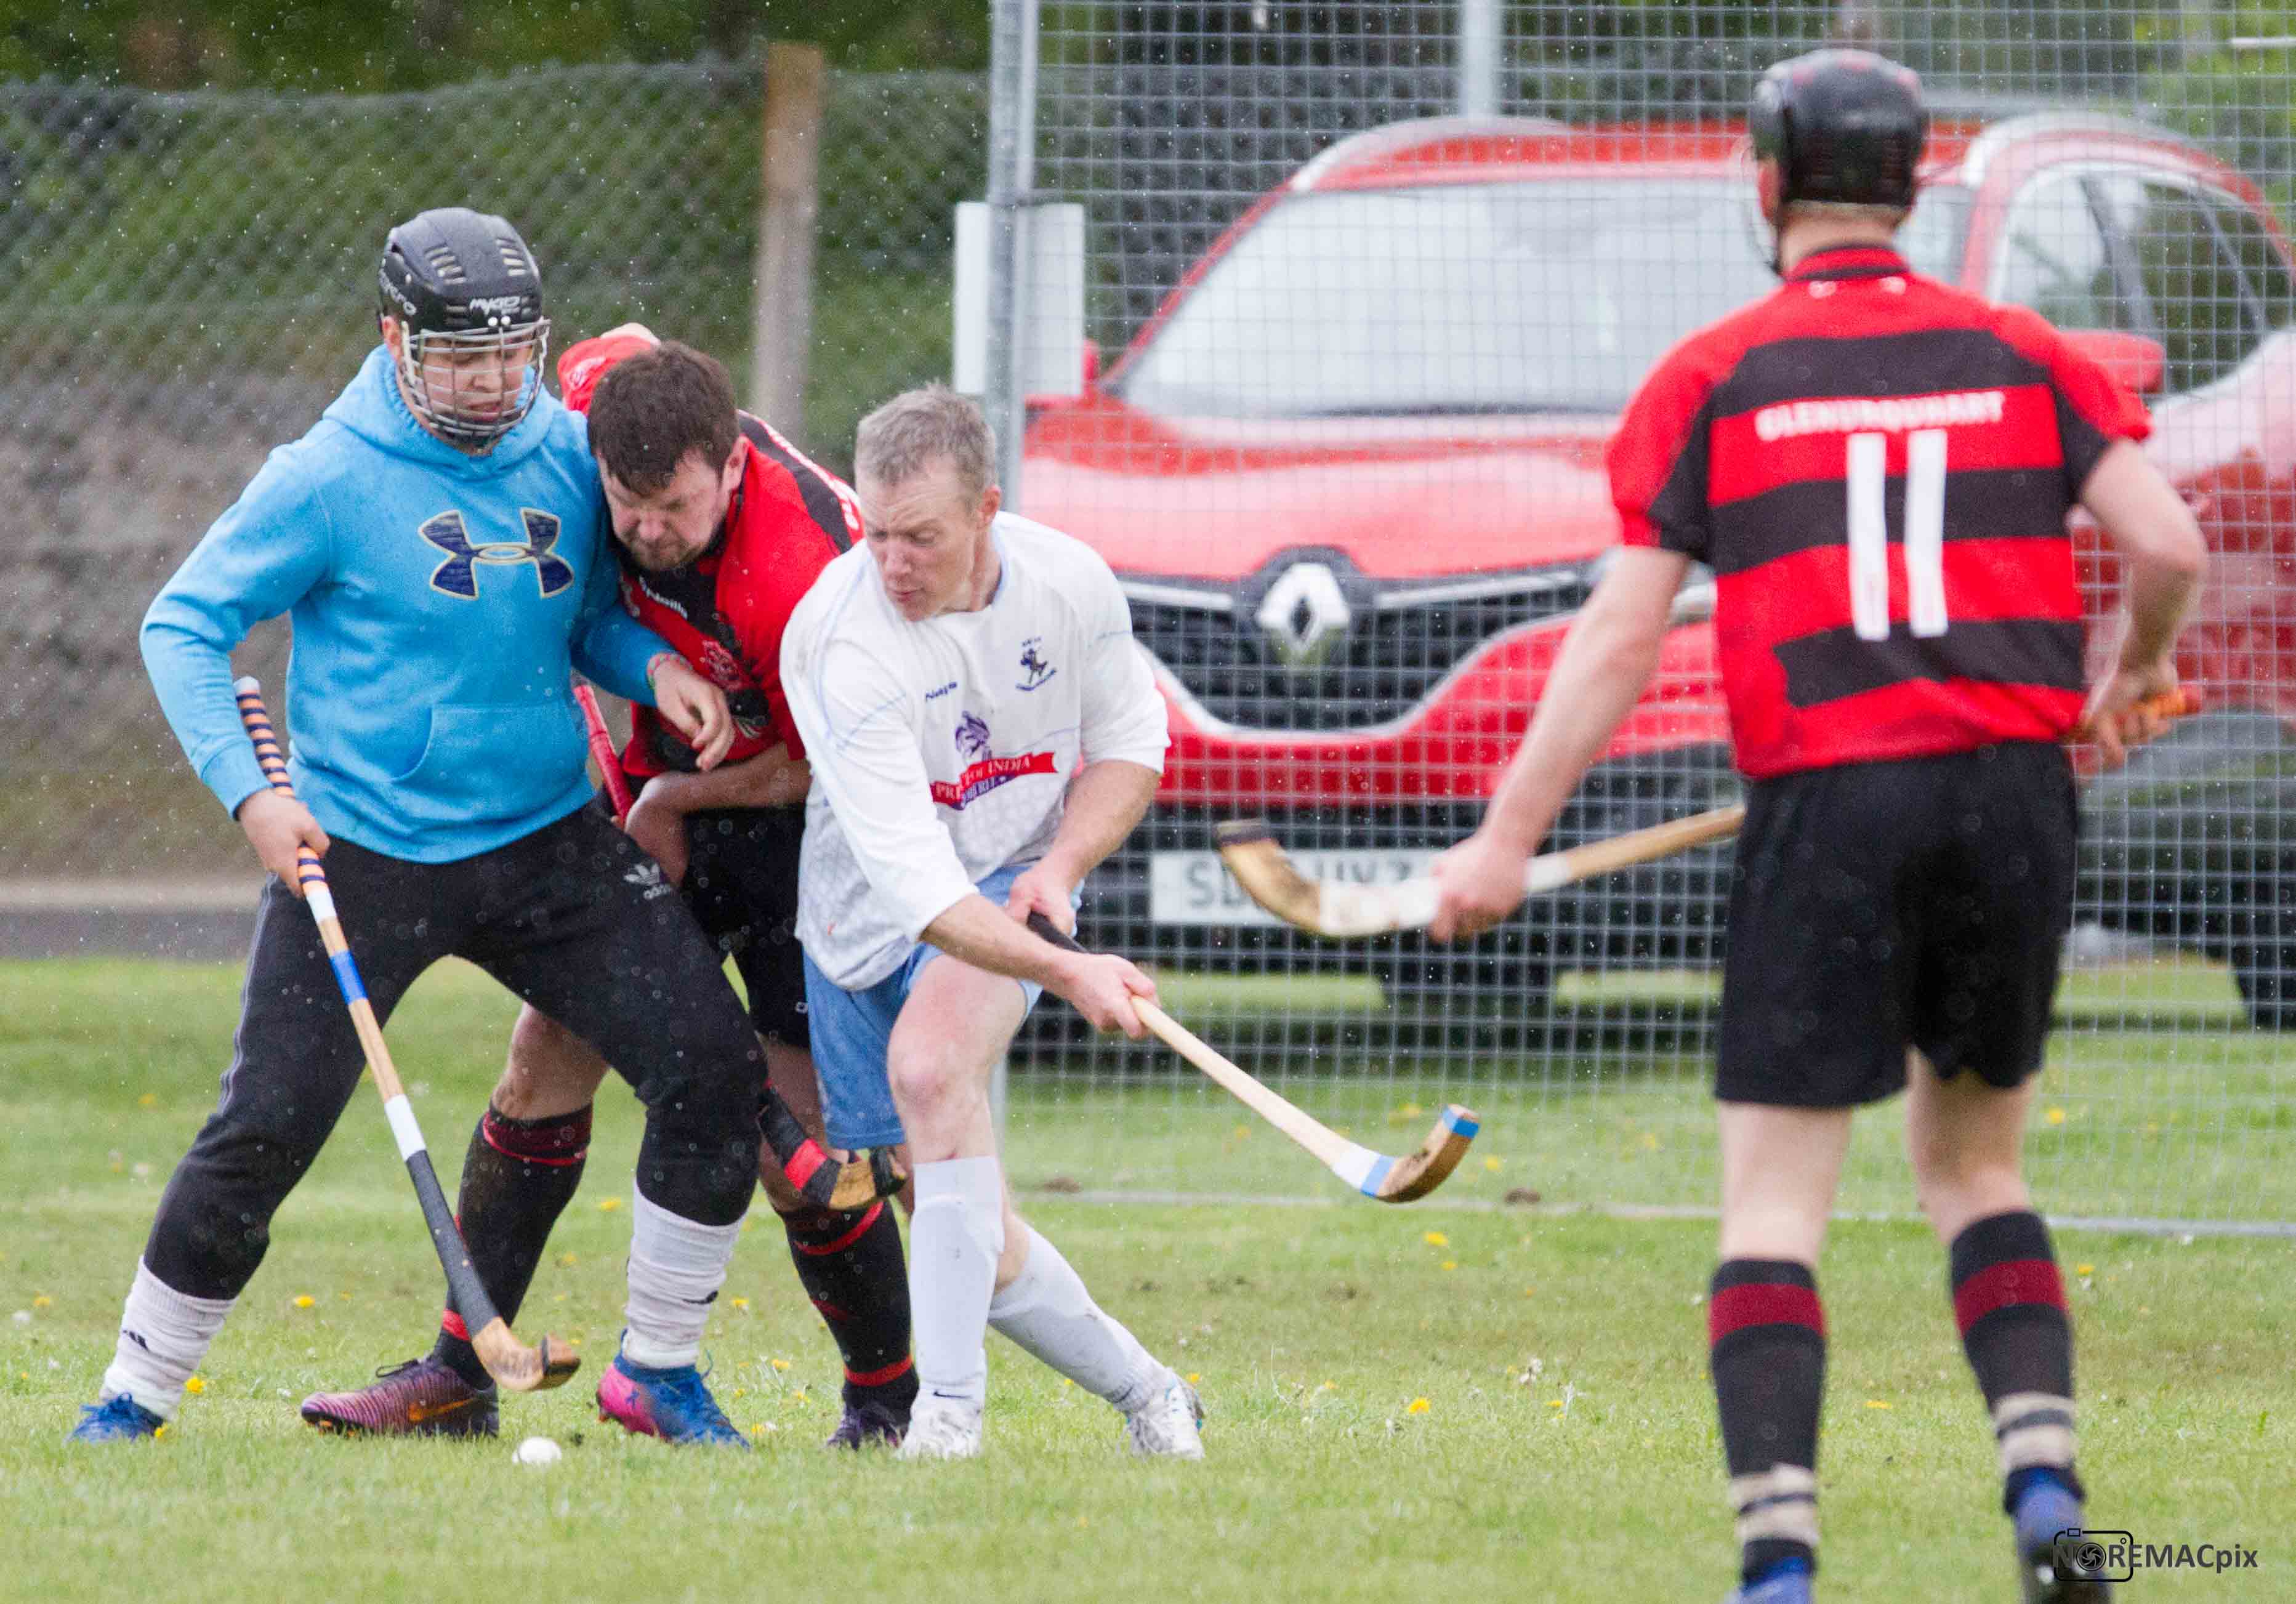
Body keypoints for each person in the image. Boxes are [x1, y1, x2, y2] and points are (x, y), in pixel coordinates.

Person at [1425, 51, 2205, 1604]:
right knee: (1974, 1172)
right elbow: (2168, 543)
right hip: (2009, 795)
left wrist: (1504, 840)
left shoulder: (1715, 375)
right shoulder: (2023, 351)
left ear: (1768, 183)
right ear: (1906, 187)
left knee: (1775, 1206)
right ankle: (2047, 1499)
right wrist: (2131, 671)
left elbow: (1618, 638)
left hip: (1825, 805)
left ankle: (1778, 1566)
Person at [72, 208, 800, 1449]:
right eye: (462, 357)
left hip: (547, 842)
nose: (490, 381)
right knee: (267, 1127)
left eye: (512, 353)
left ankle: (660, 1373)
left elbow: (573, 616)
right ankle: (133, 1394)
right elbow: (182, 624)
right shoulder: (325, 476)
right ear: (395, 340)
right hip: (361, 852)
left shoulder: (566, 449)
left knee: (712, 1067)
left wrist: (649, 664)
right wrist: (255, 796)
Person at [299, 328, 919, 1449]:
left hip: (800, 824)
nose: (648, 531)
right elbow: (615, 353)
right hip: (659, 799)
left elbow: (844, 760)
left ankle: (887, 1406)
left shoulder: (805, 579)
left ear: (731, 466)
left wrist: (674, 801)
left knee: (801, 1145)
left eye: (674, 508)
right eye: (627, 505)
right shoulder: (597, 409)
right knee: (545, 1055)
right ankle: (459, 1373)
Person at [780, 385, 1203, 1461]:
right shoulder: (838, 639)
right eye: (877, 534)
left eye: (920, 537)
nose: (893, 563)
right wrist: (1075, 974)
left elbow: (1130, 744)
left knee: (929, 1071)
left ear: (985, 511)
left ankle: (947, 1420)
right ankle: (1153, 1390)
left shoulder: (1069, 585)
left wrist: (1061, 866)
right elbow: (921, 893)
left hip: (1009, 875)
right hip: (865, 914)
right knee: (963, 1223)